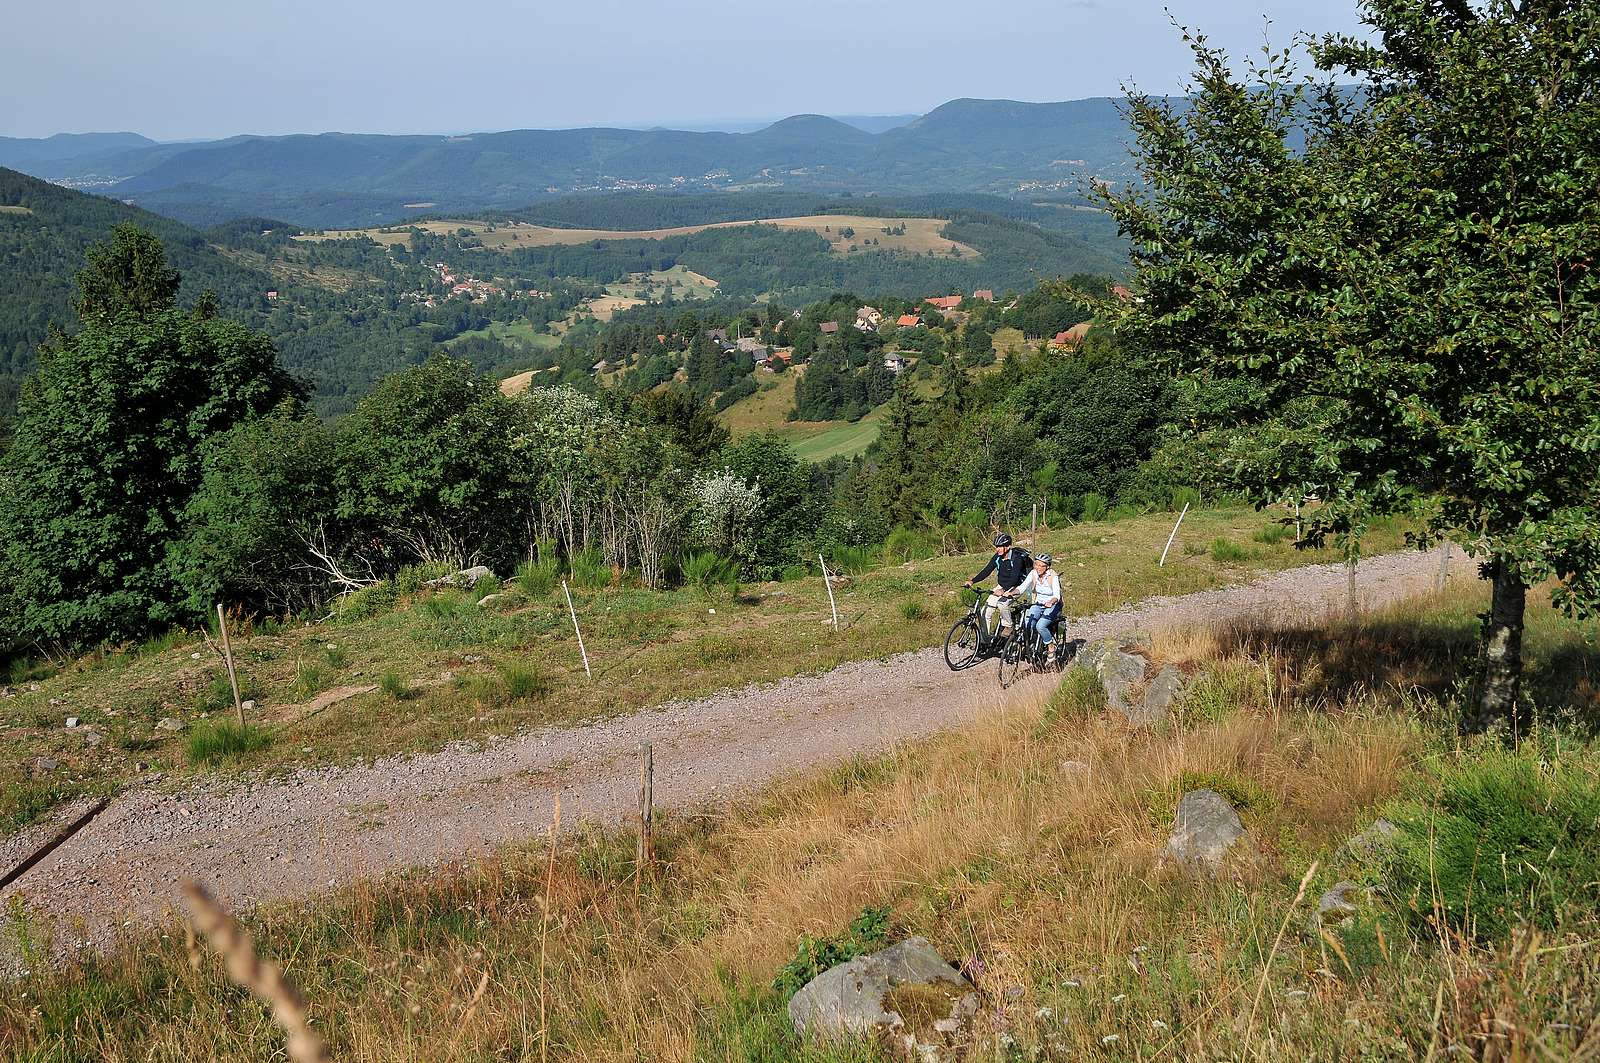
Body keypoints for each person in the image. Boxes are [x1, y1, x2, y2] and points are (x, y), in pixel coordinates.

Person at [965, 533, 1031, 637]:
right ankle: (984, 639)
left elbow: (1014, 578)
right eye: (996, 547)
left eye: (1000, 547)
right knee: (985, 611)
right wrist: (973, 581)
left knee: (1002, 604)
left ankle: (1008, 626)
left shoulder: (1016, 558)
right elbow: (986, 571)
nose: (997, 549)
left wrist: (1003, 590)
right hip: (1002, 586)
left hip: (1016, 586)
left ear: (1007, 547)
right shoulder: (998, 557)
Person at [1007, 552, 1062, 653]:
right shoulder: (1033, 573)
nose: (1038, 568)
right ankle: (1033, 643)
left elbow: (1057, 596)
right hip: (1038, 603)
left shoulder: (1053, 576)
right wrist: (1011, 593)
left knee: (1040, 626)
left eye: (1042, 566)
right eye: (1036, 564)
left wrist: (1051, 602)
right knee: (1027, 623)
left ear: (1047, 567)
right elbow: (1022, 587)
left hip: (1052, 605)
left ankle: (1050, 646)